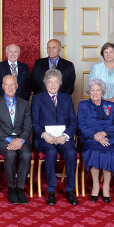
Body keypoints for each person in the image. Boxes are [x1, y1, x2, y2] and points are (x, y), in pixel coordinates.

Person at [31, 69, 78, 206]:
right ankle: (51, 190)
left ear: (60, 83)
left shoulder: (67, 98)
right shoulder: (38, 99)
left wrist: (65, 136)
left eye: (56, 82)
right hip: (45, 138)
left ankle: (70, 189)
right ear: (45, 83)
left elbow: (73, 121)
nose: (53, 85)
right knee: (51, 152)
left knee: (71, 152)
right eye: (50, 82)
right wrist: (44, 135)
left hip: (63, 137)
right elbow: (34, 122)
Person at [78, 78, 114, 203]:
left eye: (98, 90)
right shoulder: (83, 105)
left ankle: (105, 188)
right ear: (89, 92)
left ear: (102, 92)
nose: (95, 93)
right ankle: (95, 186)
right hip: (90, 140)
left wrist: (103, 133)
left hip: (108, 139)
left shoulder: (110, 105)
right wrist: (95, 136)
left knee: (108, 154)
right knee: (95, 153)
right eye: (92, 90)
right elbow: (81, 125)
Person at [0, 75, 33, 204]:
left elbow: (28, 126)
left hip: (20, 139)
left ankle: (20, 188)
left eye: (12, 84)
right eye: (7, 85)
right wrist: (9, 139)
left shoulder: (25, 103)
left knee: (26, 154)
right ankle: (11, 188)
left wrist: (21, 140)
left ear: (17, 86)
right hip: (2, 139)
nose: (10, 87)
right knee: (11, 153)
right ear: (2, 87)